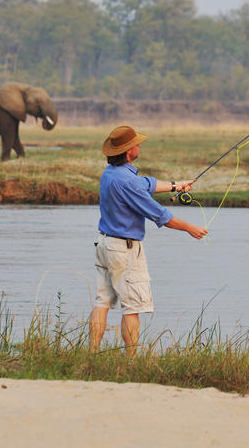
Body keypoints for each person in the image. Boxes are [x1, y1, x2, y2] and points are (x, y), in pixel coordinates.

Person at [89, 125, 208, 354]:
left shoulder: (111, 173)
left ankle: (93, 354)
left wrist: (176, 185)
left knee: (102, 302)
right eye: (136, 144)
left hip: (104, 244)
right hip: (123, 250)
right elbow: (160, 215)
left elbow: (147, 184)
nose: (139, 146)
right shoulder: (128, 182)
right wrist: (190, 228)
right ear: (127, 151)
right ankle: (132, 360)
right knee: (132, 307)